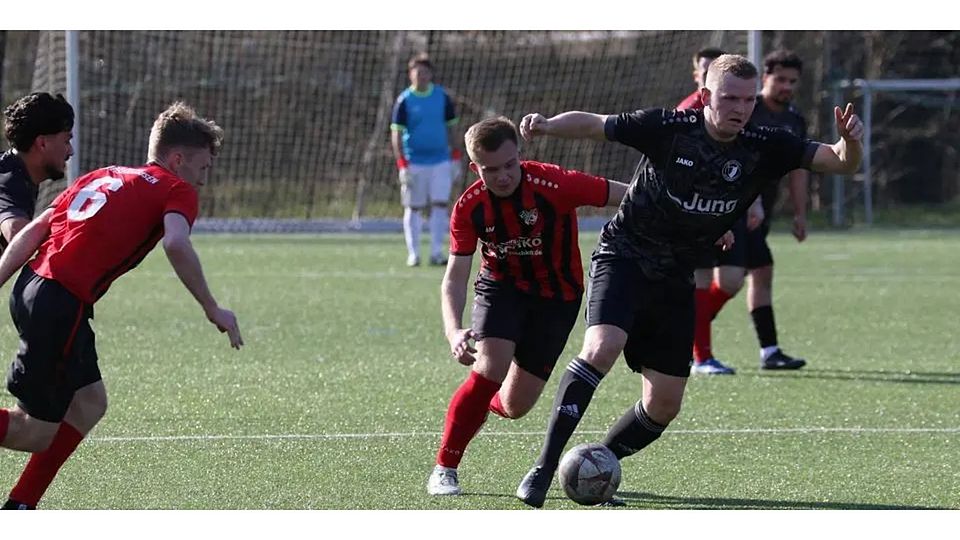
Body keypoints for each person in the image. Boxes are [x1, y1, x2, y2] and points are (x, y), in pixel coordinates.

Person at [513, 54, 863, 508]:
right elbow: (597, 123)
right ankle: (543, 467)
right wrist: (546, 126)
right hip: (625, 256)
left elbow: (838, 161)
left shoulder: (766, 143)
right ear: (705, 96)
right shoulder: (668, 127)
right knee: (601, 347)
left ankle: (598, 464)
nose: (739, 108)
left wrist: (850, 143)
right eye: (729, 98)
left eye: (747, 99)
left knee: (664, 405)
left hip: (678, 276)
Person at [0, 102, 243, 510]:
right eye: (202, 169)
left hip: (34, 290)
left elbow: (36, 230)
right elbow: (176, 243)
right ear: (177, 159)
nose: (204, 180)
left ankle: (20, 508)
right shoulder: (175, 188)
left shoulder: (105, 174)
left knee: (90, 401)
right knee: (34, 433)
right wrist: (212, 308)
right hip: (61, 302)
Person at [426, 116, 629, 496]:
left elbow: (630, 194)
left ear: (519, 155)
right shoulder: (469, 208)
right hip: (501, 289)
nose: (502, 176)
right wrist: (454, 330)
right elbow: (455, 275)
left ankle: (481, 405)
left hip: (558, 299)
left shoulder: (556, 184)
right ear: (475, 168)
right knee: (490, 369)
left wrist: (688, 221)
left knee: (516, 406)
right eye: (490, 170)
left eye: (509, 165)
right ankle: (445, 467)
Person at [390, 53, 462, 267]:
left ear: (431, 74)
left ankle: (436, 252)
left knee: (440, 204)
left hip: (441, 161)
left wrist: (456, 158)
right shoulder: (404, 100)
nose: (421, 76)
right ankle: (414, 254)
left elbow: (453, 128)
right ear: (410, 74)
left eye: (425, 72)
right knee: (413, 207)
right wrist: (402, 164)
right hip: (414, 162)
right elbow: (396, 134)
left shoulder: (442, 97)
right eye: (417, 72)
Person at [0, 92, 75, 250]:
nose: (71, 151)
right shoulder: (9, 182)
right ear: (42, 144)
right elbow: (15, 231)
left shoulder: (17, 172)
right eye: (66, 141)